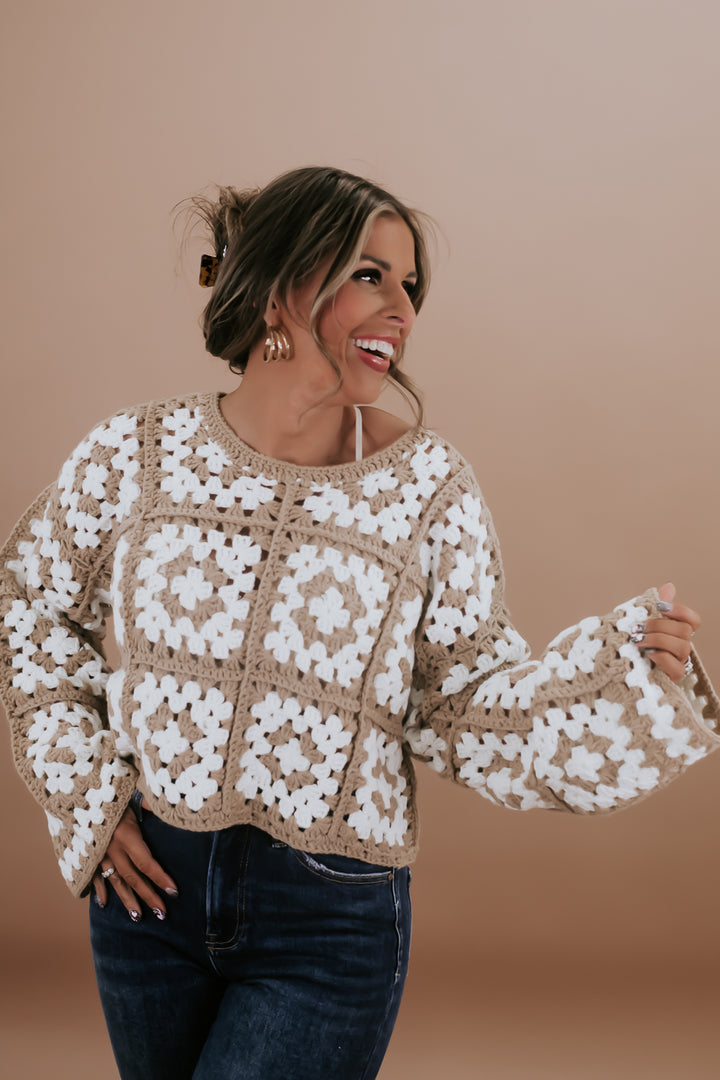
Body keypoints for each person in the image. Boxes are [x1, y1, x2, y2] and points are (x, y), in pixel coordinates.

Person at [1, 165, 718, 1080]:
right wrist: (87, 800)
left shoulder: (429, 489)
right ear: (278, 287)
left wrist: (617, 677)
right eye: (370, 275)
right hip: (148, 900)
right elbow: (31, 603)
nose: (403, 311)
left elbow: (461, 702)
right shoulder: (134, 454)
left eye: (410, 285)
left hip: (328, 918)